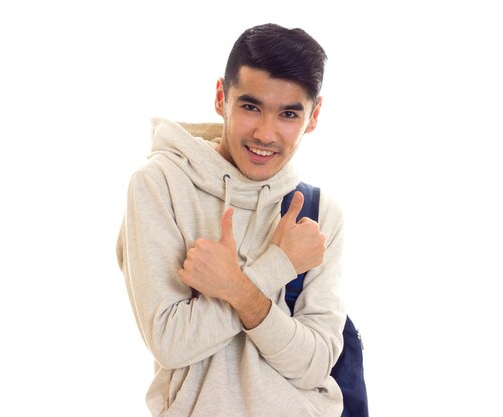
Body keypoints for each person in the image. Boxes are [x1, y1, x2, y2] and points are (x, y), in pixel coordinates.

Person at [116, 23, 346, 417]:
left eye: (288, 114)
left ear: (314, 115)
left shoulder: (316, 213)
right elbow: (171, 342)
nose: (265, 133)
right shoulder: (160, 185)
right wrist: (277, 266)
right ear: (222, 97)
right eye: (250, 106)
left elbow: (313, 366)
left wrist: (235, 287)